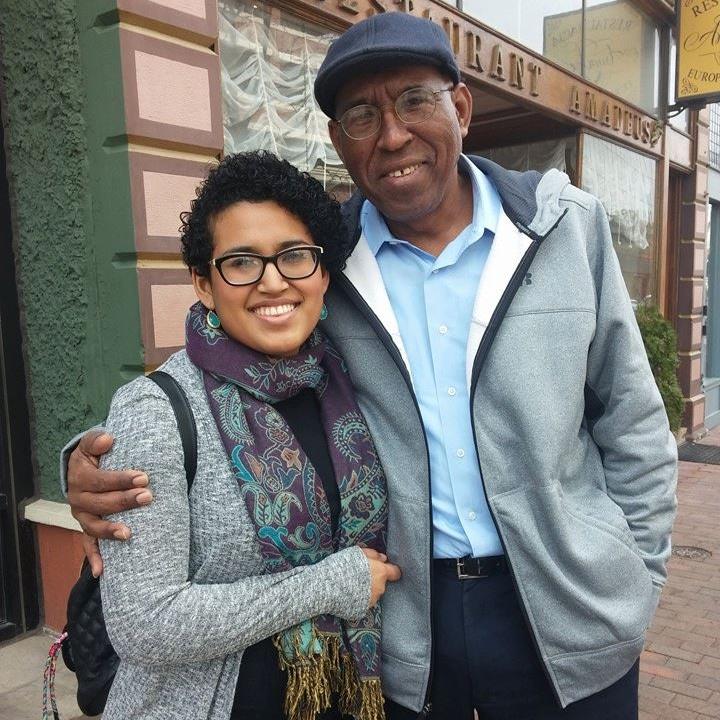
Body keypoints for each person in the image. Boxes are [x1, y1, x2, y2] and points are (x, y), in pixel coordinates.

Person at [63, 12, 677, 720]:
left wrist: (635, 579)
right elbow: (220, 375)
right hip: (408, 615)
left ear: (462, 107)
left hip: (569, 600)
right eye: (361, 115)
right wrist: (90, 459)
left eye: (415, 99)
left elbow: (633, 420)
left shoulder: (562, 229)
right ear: (338, 142)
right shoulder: (328, 262)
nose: (392, 135)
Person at [82, 150, 400, 720]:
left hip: (347, 696)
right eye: (241, 262)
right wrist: (330, 585)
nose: (273, 281)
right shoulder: (156, 410)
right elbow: (145, 624)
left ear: (323, 272)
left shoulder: (348, 384)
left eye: (293, 256)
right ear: (204, 283)